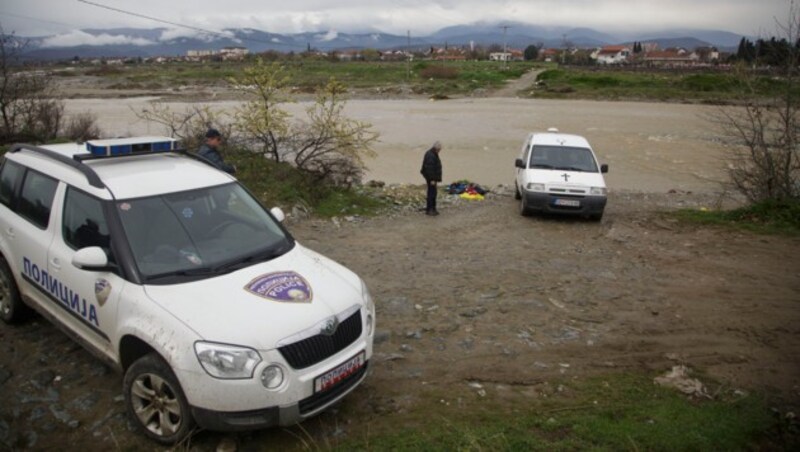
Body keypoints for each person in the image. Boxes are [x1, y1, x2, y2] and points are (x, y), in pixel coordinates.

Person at [420, 141, 443, 216]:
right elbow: (429, 168)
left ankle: (432, 208)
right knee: (432, 193)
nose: (440, 151)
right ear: (437, 148)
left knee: (433, 192)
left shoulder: (433, 154)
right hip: (431, 178)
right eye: (439, 149)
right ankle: (430, 209)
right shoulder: (431, 155)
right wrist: (432, 179)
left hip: (432, 177)